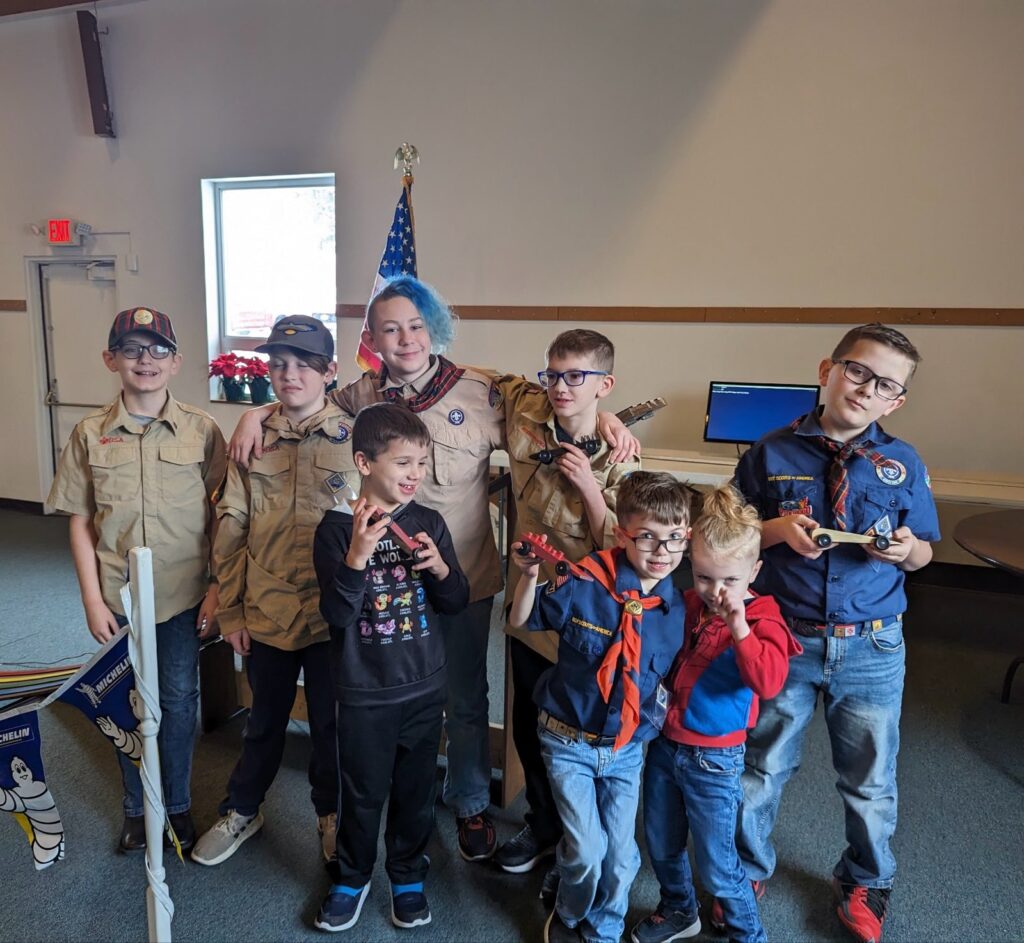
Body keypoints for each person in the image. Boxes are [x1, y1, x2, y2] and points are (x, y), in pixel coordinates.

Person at [229, 277, 638, 864]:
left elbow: (559, 406)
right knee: (381, 696)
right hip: (385, 584)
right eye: (390, 329)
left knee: (466, 698)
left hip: (460, 575)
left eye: (417, 325)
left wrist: (609, 423)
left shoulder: (485, 391)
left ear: (435, 328)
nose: (406, 339)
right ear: (372, 339)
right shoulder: (358, 396)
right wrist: (256, 415)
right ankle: (390, 799)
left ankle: (470, 801)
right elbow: (304, 404)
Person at [733, 323, 940, 943]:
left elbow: (925, 551)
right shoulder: (770, 452)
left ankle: (866, 878)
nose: (865, 388)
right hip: (786, 638)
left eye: (884, 385)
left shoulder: (902, 462)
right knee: (762, 766)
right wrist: (776, 531)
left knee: (870, 776)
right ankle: (743, 869)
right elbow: (732, 536)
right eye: (856, 371)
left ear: (895, 400)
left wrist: (906, 552)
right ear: (827, 368)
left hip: (873, 643)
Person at [46, 307, 225, 853]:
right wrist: (91, 599)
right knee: (126, 702)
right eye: (131, 349)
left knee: (176, 698)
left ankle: (173, 805)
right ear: (111, 360)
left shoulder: (202, 430)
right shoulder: (90, 433)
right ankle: (135, 807)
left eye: (157, 350)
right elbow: (79, 520)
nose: (145, 360)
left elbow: (223, 513)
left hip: (181, 595)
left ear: (175, 363)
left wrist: (217, 586)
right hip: (118, 598)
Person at [190, 316, 354, 867]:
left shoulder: (358, 437)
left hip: (335, 617)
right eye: (278, 364)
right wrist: (231, 607)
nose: (288, 375)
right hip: (268, 609)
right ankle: (243, 808)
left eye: (303, 365)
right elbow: (231, 527)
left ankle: (330, 814)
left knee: (333, 726)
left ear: (329, 372)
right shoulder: (252, 439)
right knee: (264, 720)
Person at [507, 471, 691, 943]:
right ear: (619, 533)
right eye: (647, 537)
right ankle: (569, 914)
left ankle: (605, 928)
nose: (662, 551)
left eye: (675, 538)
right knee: (587, 850)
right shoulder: (584, 582)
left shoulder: (676, 608)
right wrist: (529, 576)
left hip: (627, 749)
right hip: (568, 740)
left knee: (624, 856)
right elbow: (523, 619)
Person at [312, 402, 469, 932]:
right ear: (363, 462)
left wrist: (441, 568)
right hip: (364, 693)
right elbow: (335, 613)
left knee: (415, 791)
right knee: (361, 791)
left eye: (421, 463)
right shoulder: (336, 531)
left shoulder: (428, 522)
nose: (414, 475)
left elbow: (455, 600)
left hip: (424, 688)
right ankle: (352, 877)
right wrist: (358, 554)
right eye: (402, 463)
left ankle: (407, 874)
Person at [494, 328, 641, 878]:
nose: (560, 386)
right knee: (528, 724)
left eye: (576, 377)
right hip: (533, 607)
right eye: (553, 374)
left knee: (579, 733)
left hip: (588, 620)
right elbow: (478, 377)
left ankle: (586, 845)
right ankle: (543, 824)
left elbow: (621, 550)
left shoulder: (623, 463)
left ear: (604, 383)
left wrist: (589, 487)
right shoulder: (527, 413)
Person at [630, 485, 801, 943]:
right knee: (661, 842)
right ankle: (679, 909)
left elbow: (767, 681)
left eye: (729, 581)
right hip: (667, 746)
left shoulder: (764, 619)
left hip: (715, 761)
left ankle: (750, 935)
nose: (715, 592)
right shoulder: (689, 603)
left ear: (755, 571)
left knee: (720, 865)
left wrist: (739, 627)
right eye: (704, 577)